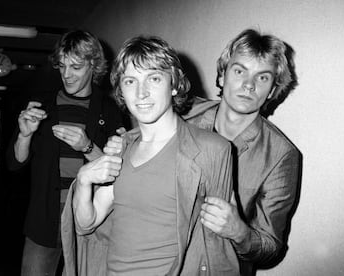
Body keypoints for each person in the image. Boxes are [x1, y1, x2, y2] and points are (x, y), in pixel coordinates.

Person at [104, 29, 302, 275]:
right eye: (239, 71)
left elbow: (272, 247)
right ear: (221, 76)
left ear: (272, 90)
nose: (248, 85)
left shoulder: (281, 156)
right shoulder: (184, 114)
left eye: (262, 78)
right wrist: (120, 145)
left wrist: (239, 232)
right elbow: (142, 142)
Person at [61, 36, 240, 275]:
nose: (141, 93)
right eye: (130, 81)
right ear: (121, 91)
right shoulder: (121, 148)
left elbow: (218, 247)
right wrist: (83, 180)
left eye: (153, 78)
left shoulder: (213, 149)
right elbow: (86, 223)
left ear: (174, 84)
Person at [6, 30, 126, 276]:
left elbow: (120, 172)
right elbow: (14, 164)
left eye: (76, 67)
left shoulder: (110, 109)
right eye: (62, 66)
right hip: (44, 223)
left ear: (93, 65)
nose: (66, 75)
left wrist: (88, 147)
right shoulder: (42, 104)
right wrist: (25, 135)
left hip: (89, 224)